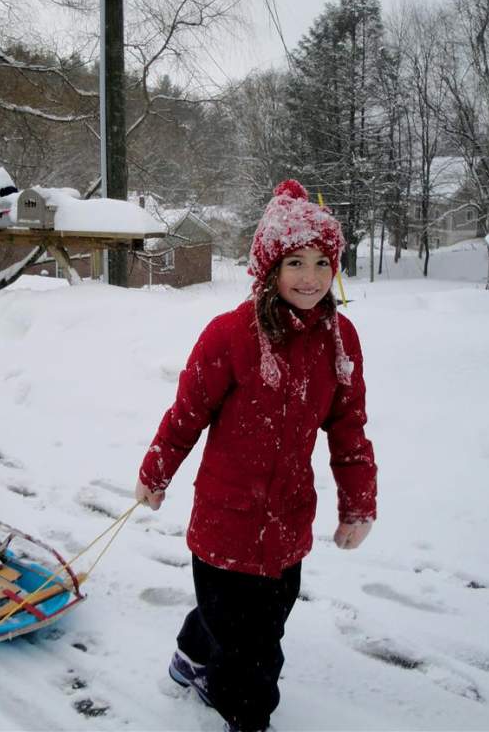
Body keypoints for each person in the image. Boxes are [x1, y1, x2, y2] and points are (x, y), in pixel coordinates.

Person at [135, 179, 378, 732]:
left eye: (322, 262)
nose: (311, 277)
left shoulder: (340, 341)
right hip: (226, 522)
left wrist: (358, 503)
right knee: (253, 647)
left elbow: (348, 428)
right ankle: (246, 717)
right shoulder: (230, 336)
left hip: (288, 521)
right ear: (270, 267)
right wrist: (156, 471)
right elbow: (187, 415)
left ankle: (191, 657)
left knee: (257, 620)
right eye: (296, 262)